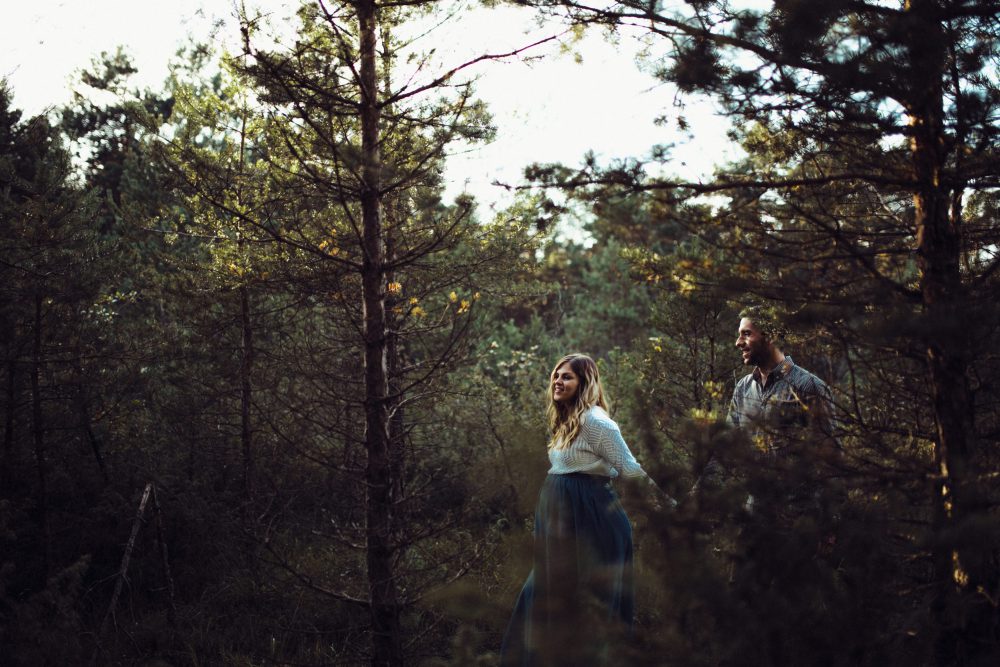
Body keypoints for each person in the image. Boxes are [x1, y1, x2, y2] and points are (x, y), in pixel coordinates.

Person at [499, 353, 664, 666]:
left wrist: (672, 511)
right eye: (556, 376)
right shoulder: (567, 419)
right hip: (562, 524)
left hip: (592, 523)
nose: (558, 381)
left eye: (567, 377)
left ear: (584, 382)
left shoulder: (596, 422)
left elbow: (630, 469)